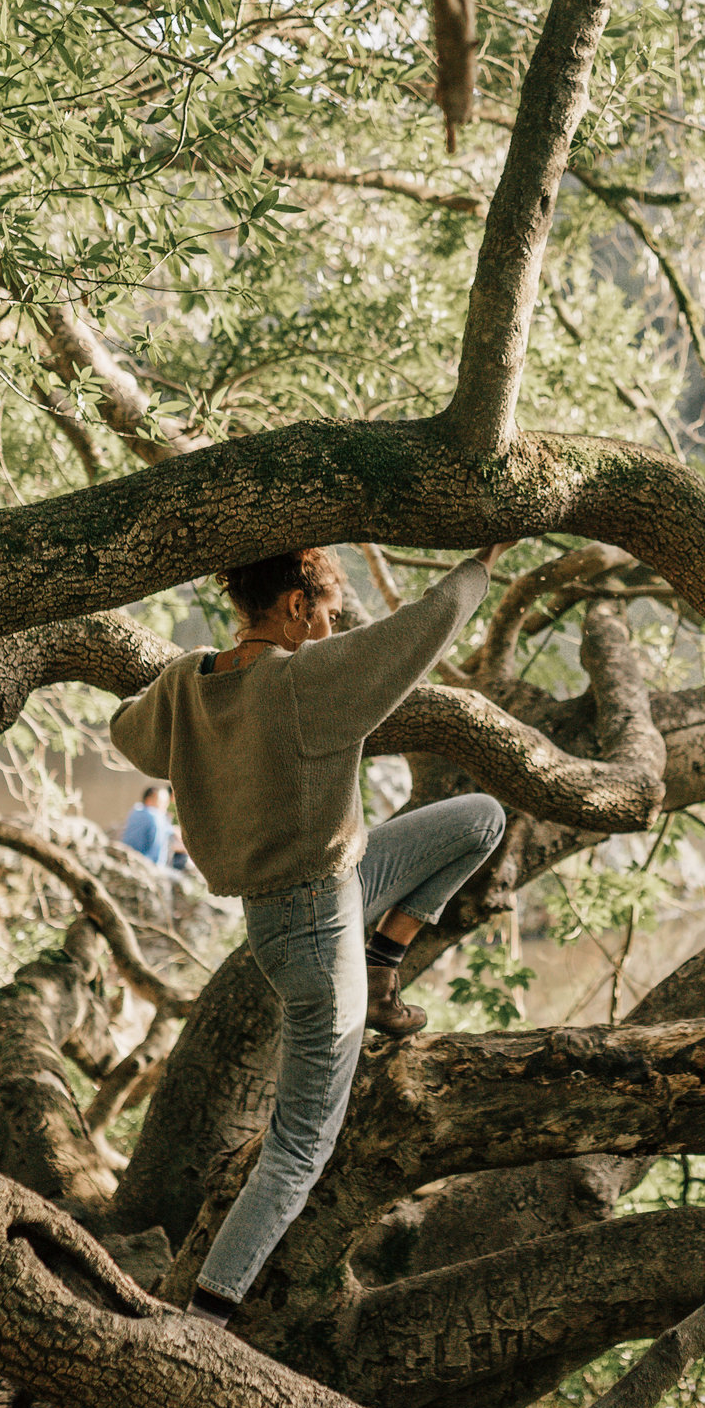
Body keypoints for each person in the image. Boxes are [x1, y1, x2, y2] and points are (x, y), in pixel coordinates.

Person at [109, 541, 513, 1321]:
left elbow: (128, 734)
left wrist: (186, 718)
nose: (332, 630)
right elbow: (423, 628)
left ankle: (386, 962)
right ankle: (203, 1323)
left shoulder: (189, 679)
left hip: (329, 889)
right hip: (314, 939)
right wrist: (480, 563)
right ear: (294, 606)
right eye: (327, 614)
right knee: (298, 1149)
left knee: (481, 819)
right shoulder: (303, 680)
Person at [118, 786, 172, 866]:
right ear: (149, 800)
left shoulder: (136, 811)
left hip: (127, 859)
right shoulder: (155, 816)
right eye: (162, 802)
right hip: (145, 865)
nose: (166, 806)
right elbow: (157, 850)